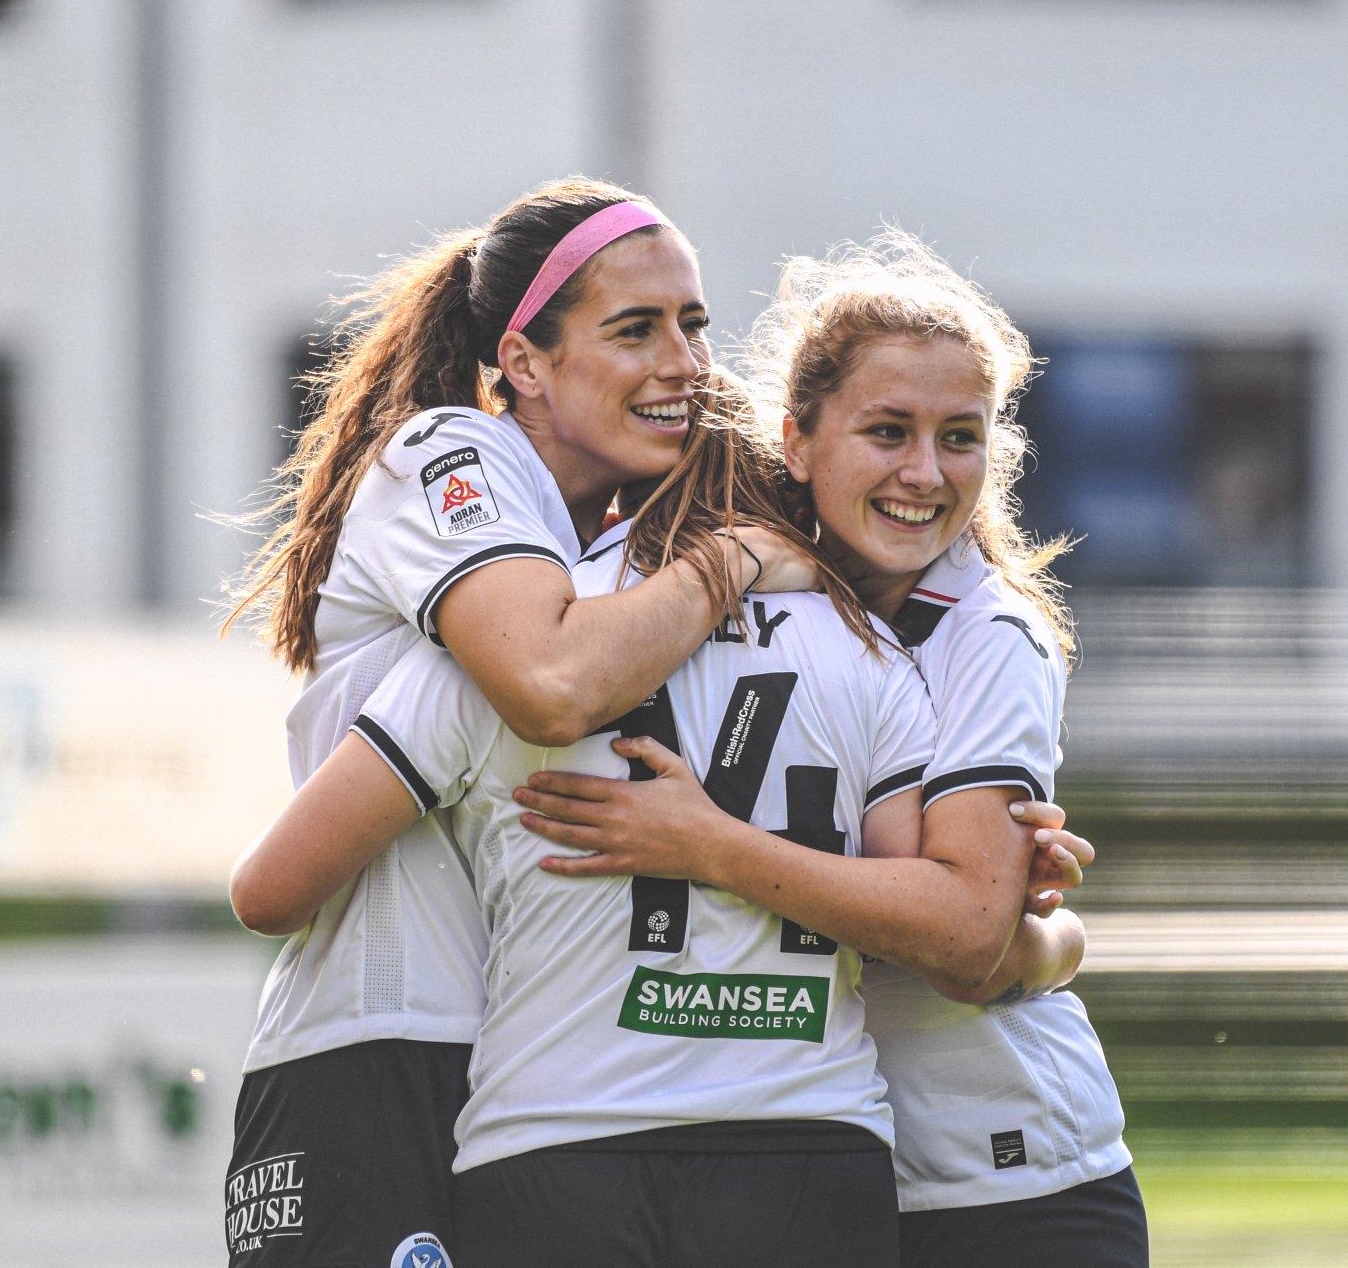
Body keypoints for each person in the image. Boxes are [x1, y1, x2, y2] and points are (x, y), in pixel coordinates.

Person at [515, 232, 1148, 1266]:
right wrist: (1031, 938)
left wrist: (709, 846)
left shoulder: (987, 633)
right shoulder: (730, 590)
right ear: (796, 442)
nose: (923, 472)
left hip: (1008, 1185)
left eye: (959, 437)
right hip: (818, 1177)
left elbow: (961, 940)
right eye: (887, 430)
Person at [218, 179, 815, 1268]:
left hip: (520, 1079)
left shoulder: (608, 548)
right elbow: (544, 682)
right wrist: (730, 560)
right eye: (632, 328)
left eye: (692, 323)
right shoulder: (454, 450)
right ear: (524, 361)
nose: (682, 359)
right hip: (376, 1057)